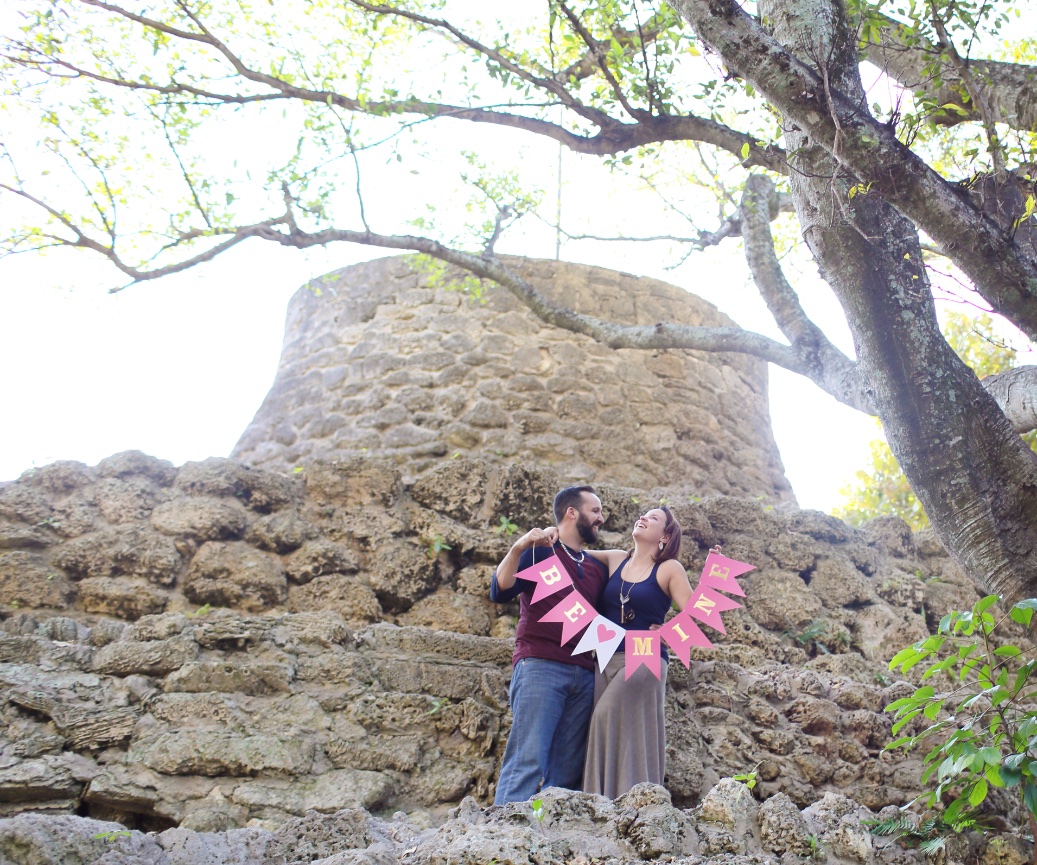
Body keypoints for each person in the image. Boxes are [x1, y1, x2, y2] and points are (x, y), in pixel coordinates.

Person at [489, 485, 610, 805]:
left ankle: (548, 837)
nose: (601, 518)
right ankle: (502, 838)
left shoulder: (597, 567)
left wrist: (654, 629)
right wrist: (518, 547)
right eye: (595, 511)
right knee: (527, 759)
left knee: (567, 771)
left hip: (585, 674)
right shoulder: (539, 551)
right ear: (572, 512)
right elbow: (499, 592)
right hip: (540, 666)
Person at [581, 506, 693, 799]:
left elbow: (694, 612)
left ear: (665, 535)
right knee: (615, 727)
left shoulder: (669, 568)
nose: (643, 518)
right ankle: (602, 803)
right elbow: (574, 552)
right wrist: (553, 534)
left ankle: (630, 802)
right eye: (643, 514)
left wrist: (667, 632)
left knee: (603, 717)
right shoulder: (616, 558)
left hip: (645, 656)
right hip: (607, 656)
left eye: (653, 518)